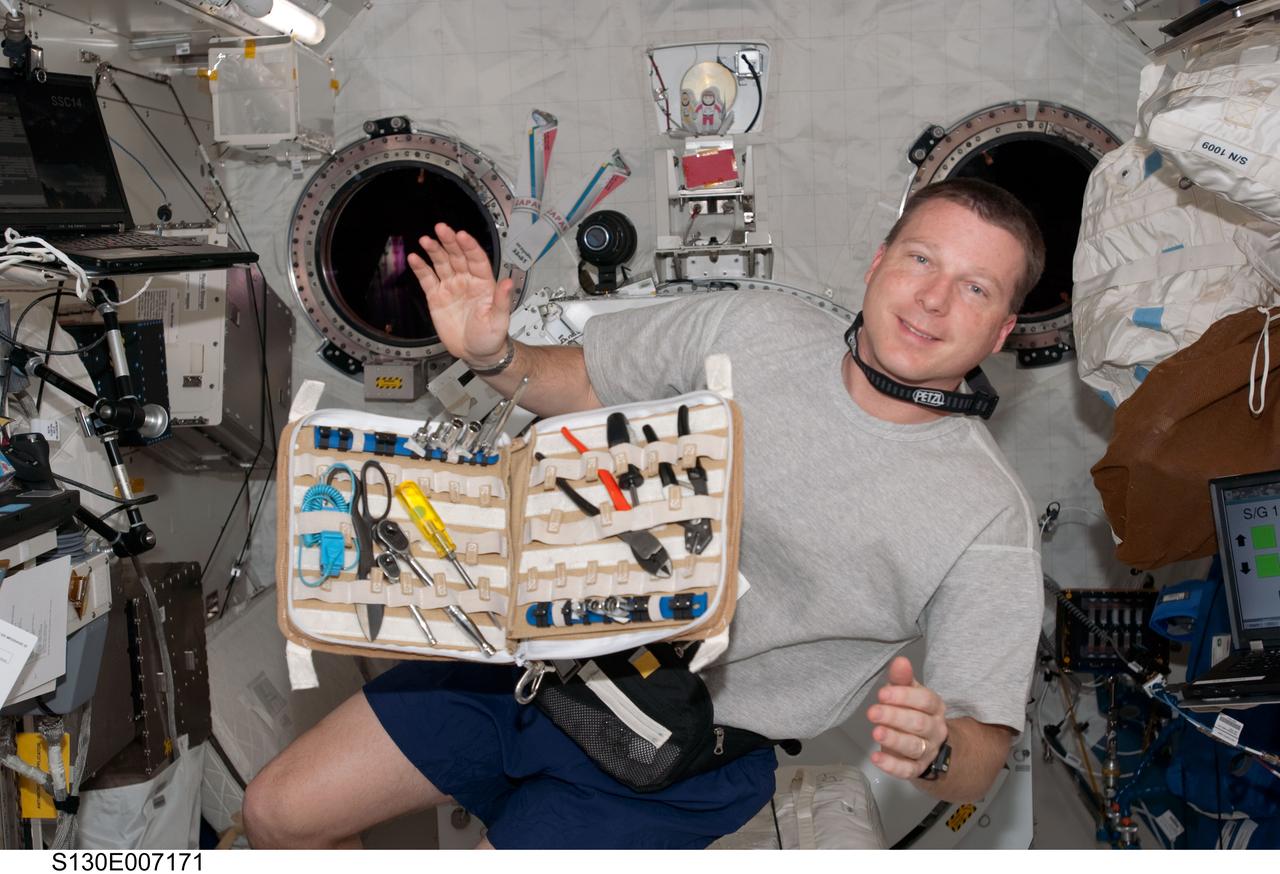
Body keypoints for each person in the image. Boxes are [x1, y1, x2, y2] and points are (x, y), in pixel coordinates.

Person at [243, 178, 1046, 850]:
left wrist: (939, 749)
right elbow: (591, 383)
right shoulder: (752, 329)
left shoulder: (985, 515)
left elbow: (982, 750)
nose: (935, 300)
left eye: (976, 288)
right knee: (275, 813)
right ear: (877, 263)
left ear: (1004, 329)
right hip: (523, 665)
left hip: (680, 760)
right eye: (921, 260)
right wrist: (493, 353)